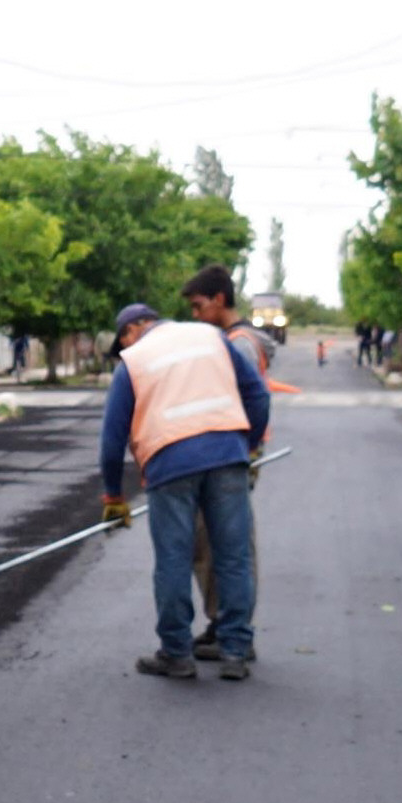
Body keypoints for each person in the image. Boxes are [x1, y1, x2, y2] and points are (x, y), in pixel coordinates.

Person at [99, 301, 270, 681]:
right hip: (227, 457)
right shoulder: (211, 337)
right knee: (233, 555)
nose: (123, 345)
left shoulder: (134, 360)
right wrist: (251, 445)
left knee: (174, 558)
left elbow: (112, 440)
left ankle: (176, 654)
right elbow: (258, 395)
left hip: (170, 463)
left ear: (136, 327)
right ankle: (235, 651)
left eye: (123, 336)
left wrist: (113, 496)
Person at [181, 265, 274, 662]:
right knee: (212, 546)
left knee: (228, 547)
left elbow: (250, 400)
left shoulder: (238, 346)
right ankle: (223, 625)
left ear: (220, 299)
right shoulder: (232, 340)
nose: (196, 315)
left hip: (229, 456)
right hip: (229, 453)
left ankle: (235, 632)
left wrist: (246, 449)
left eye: (199, 306)